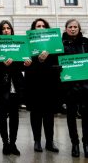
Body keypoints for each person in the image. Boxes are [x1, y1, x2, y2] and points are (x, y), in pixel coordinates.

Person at [24, 18, 60, 153]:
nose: (41, 27)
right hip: (34, 83)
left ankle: (50, 141)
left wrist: (47, 59)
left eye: (43, 25)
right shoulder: (28, 44)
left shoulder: (54, 44)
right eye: (38, 26)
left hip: (49, 83)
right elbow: (25, 64)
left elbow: (58, 64)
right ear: (34, 29)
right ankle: (37, 141)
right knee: (36, 113)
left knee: (49, 114)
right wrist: (36, 60)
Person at [62, 19, 88, 158]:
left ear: (79, 28)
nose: (73, 29)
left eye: (75, 27)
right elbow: (57, 61)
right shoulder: (61, 44)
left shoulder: (86, 42)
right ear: (66, 28)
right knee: (70, 117)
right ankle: (74, 144)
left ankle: (87, 145)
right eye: (70, 27)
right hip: (69, 87)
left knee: (86, 116)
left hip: (85, 86)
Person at [0, 20, 23, 156]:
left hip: (15, 86)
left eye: (8, 28)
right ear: (0, 31)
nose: (6, 30)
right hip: (1, 86)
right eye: (3, 28)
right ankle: (5, 142)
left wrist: (25, 62)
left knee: (15, 116)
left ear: (11, 30)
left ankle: (13, 143)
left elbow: (21, 64)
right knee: (2, 116)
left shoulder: (18, 44)